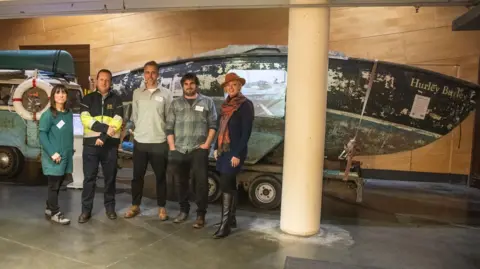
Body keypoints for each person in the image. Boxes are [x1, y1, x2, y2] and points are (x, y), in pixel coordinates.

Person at [166, 72, 217, 229]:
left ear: (197, 85)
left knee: (201, 183)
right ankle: (183, 211)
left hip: (198, 149)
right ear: (182, 86)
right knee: (181, 182)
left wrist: (207, 144)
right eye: (186, 84)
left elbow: (213, 124)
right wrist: (173, 148)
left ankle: (201, 215)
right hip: (180, 149)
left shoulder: (207, 102)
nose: (189, 86)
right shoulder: (175, 104)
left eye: (192, 83)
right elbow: (169, 127)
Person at [123, 61, 173, 220]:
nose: (150, 76)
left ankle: (162, 207)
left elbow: (170, 118)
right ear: (143, 74)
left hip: (159, 142)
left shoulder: (166, 94)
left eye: (153, 72)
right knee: (137, 176)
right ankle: (135, 205)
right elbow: (134, 116)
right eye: (147, 72)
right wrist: (130, 130)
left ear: (158, 74)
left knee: (160, 177)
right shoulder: (137, 93)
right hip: (140, 142)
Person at [78, 69, 124, 223]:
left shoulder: (117, 100)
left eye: (107, 80)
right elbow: (85, 119)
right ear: (96, 81)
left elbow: (117, 121)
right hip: (91, 146)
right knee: (89, 179)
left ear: (111, 82)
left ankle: (110, 208)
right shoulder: (87, 99)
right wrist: (105, 129)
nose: (104, 82)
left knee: (110, 179)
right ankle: (85, 211)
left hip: (110, 146)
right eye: (102, 79)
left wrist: (103, 137)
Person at [213, 72, 254, 239]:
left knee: (226, 184)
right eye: (228, 85)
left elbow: (246, 133)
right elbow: (221, 128)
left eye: (234, 84)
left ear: (240, 86)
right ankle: (231, 219)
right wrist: (216, 146)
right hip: (224, 150)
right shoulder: (225, 105)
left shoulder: (245, 105)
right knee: (229, 184)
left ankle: (225, 225)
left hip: (235, 151)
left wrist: (237, 153)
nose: (231, 87)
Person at [39, 85, 74, 225]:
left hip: (65, 155)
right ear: (53, 96)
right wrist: (52, 153)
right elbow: (42, 135)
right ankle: (55, 212)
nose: (61, 95)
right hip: (54, 157)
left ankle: (49, 207)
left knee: (58, 184)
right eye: (58, 93)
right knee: (54, 185)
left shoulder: (68, 113)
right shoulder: (48, 115)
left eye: (63, 93)